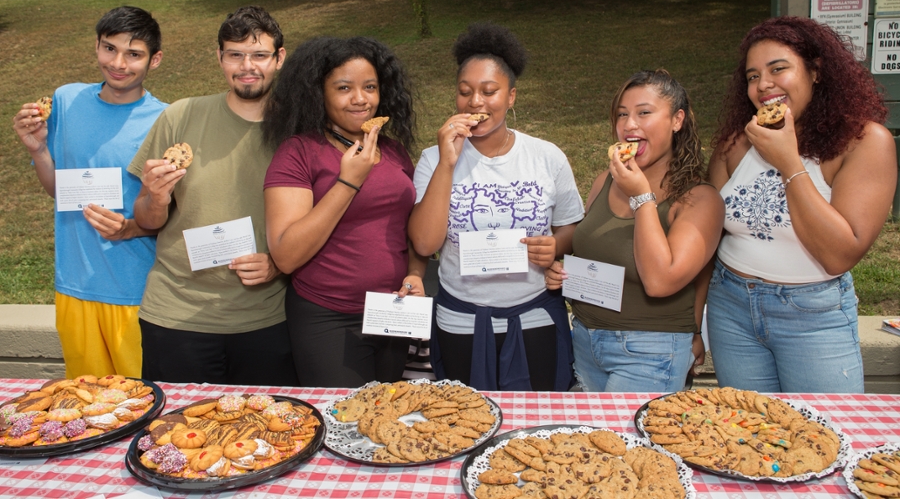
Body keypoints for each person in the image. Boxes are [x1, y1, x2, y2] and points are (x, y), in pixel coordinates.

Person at [706, 16, 896, 393]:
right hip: (731, 306)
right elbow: (708, 231)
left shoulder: (865, 142)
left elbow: (839, 254)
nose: (764, 85)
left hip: (812, 315)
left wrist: (789, 163)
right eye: (752, 76)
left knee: (827, 434)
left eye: (779, 69)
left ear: (816, 71)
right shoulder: (736, 143)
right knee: (751, 438)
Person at [408, 23, 584, 391]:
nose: (476, 102)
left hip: (535, 314)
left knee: (538, 423)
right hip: (462, 320)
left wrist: (557, 246)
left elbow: (571, 227)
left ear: (511, 96)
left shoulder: (545, 156)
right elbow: (424, 244)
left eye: (489, 91)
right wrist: (447, 162)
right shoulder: (433, 159)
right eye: (465, 92)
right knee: (466, 424)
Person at [128, 6, 299, 386]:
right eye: (235, 55)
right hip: (176, 315)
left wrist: (280, 263)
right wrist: (155, 198)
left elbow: (318, 222)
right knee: (174, 437)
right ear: (220, 57)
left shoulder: (299, 129)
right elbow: (146, 218)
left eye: (258, 55)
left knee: (264, 436)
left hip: (266, 318)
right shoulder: (181, 116)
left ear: (279, 58)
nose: (246, 66)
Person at [545, 69, 723, 392]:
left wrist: (642, 197)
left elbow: (659, 281)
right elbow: (592, 251)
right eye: (622, 115)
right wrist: (561, 271)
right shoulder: (604, 181)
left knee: (629, 442)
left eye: (644, 113)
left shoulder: (700, 199)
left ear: (677, 120)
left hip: (650, 350)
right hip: (585, 340)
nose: (629, 125)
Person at [11, 6, 166, 378]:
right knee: (90, 407)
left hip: (135, 291)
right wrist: (38, 150)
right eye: (109, 48)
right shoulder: (65, 100)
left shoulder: (166, 119)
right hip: (75, 286)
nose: (118, 63)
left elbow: (167, 214)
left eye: (134, 54)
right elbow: (59, 191)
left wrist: (129, 225)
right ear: (96, 46)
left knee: (144, 404)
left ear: (154, 60)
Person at [262, 36, 424, 388]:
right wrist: (348, 182)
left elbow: (410, 230)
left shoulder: (394, 151)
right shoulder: (299, 152)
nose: (360, 99)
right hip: (328, 318)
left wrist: (414, 273)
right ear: (318, 94)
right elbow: (286, 255)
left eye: (370, 87)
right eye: (343, 88)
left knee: (387, 423)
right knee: (345, 425)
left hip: (391, 313)